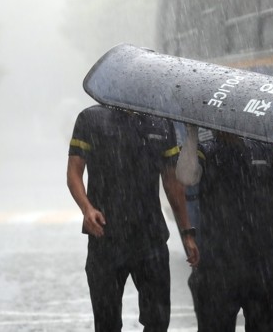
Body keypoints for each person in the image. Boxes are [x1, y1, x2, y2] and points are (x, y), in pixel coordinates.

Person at [66, 105, 199, 332]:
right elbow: (74, 172)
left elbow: (171, 181)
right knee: (107, 324)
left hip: (150, 238)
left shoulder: (159, 122)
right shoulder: (90, 118)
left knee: (158, 320)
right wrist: (87, 209)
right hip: (105, 237)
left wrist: (187, 232)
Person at [176, 126, 273, 332]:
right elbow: (186, 177)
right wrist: (192, 132)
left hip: (262, 265)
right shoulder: (207, 149)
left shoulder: (268, 147)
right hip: (218, 268)